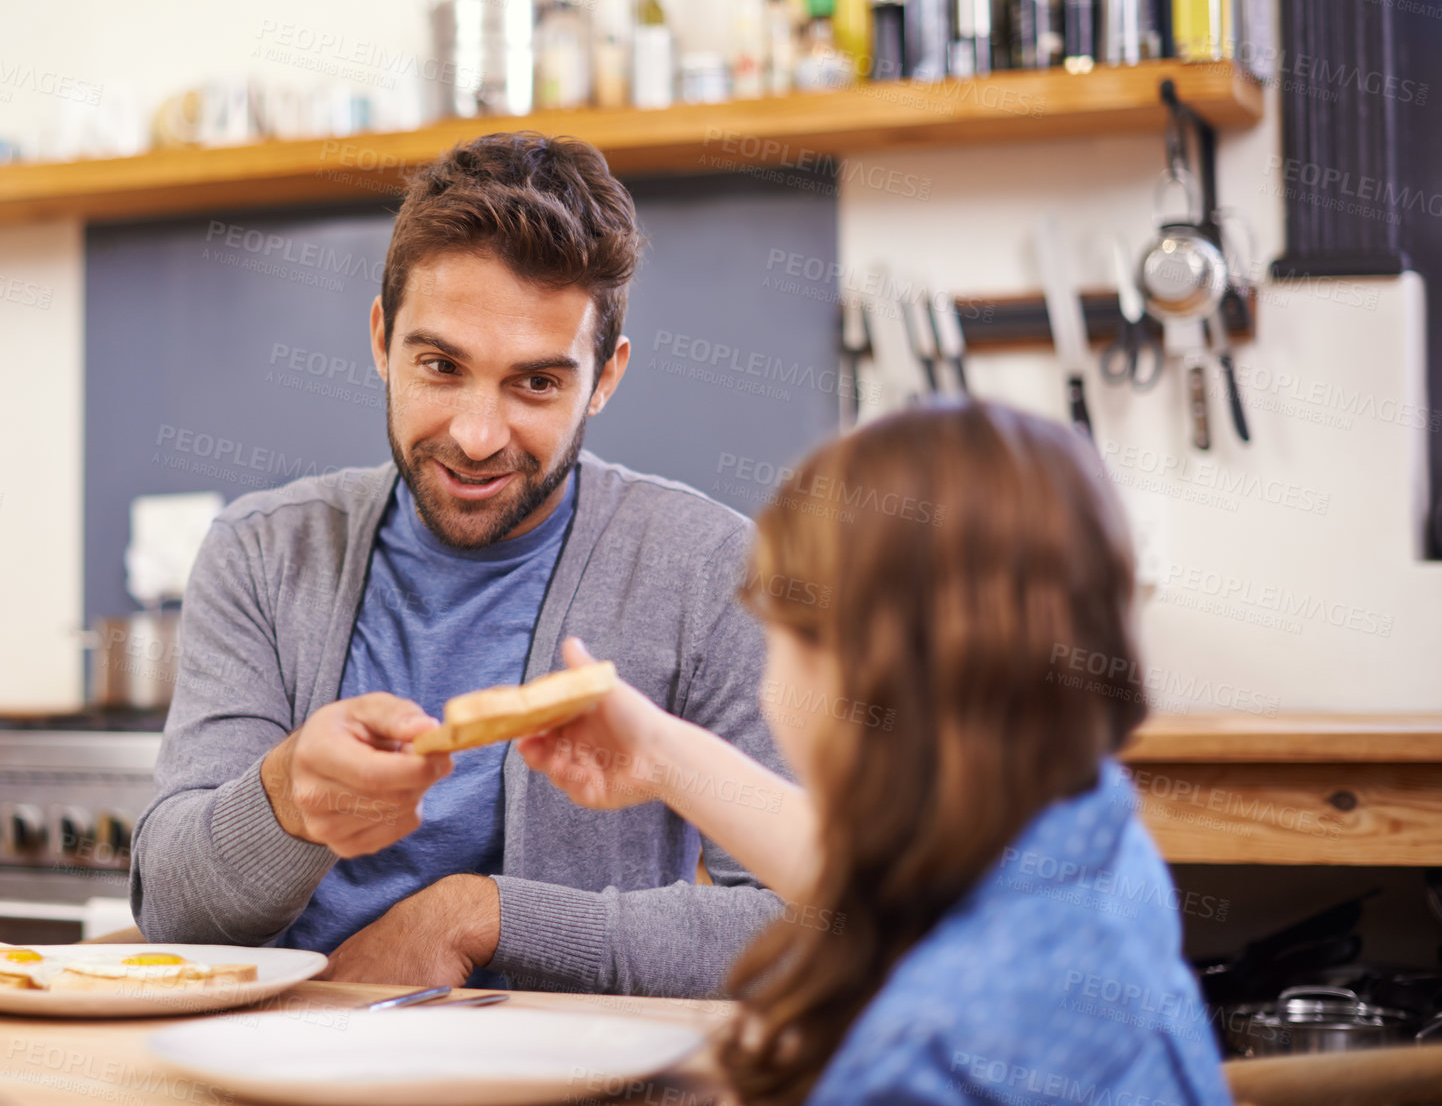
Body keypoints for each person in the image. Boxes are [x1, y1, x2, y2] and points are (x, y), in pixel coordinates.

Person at [130, 132, 787, 997]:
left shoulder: (711, 569)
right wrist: (286, 795)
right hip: (289, 1075)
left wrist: (480, 914)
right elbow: (173, 913)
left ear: (604, 379)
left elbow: (804, 920)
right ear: (381, 340)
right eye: (440, 366)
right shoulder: (262, 550)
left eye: (537, 384)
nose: (478, 438)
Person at [521, 402, 1233, 1105]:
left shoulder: (924, 1062)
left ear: (858, 674)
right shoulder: (1092, 838)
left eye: (776, 628)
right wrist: (659, 750)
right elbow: (884, 882)